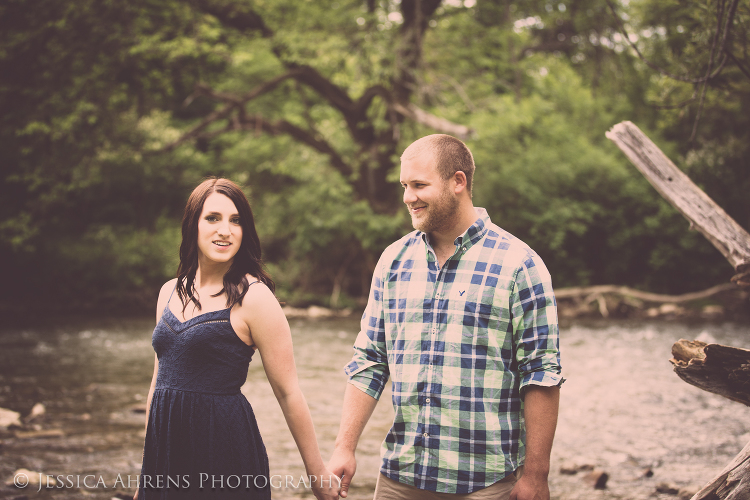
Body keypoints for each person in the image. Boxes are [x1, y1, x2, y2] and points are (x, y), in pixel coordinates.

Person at [328, 135, 563, 500]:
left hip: (486, 484)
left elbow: (541, 375)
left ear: (458, 181)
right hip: (399, 479)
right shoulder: (393, 261)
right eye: (404, 186)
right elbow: (370, 361)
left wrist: (536, 474)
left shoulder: (520, 265)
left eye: (419, 185)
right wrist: (345, 446)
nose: (408, 196)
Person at [135, 178, 339, 500]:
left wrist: (318, 474)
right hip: (168, 454)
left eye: (236, 220)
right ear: (193, 225)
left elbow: (288, 393)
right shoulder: (169, 291)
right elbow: (158, 382)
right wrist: (147, 473)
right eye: (213, 218)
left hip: (223, 450)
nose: (225, 230)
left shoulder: (254, 299)